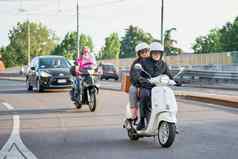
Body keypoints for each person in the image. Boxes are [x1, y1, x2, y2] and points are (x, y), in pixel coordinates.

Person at [135, 41, 173, 130]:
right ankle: (142, 120)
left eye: (158, 53)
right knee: (144, 95)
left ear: (161, 54)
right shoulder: (144, 62)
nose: (157, 55)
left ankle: (170, 121)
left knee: (168, 96)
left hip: (159, 87)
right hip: (147, 87)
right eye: (155, 53)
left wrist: (176, 81)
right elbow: (138, 74)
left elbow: (169, 75)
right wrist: (142, 80)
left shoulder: (163, 64)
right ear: (151, 53)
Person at [129, 42, 150, 121]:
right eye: (142, 52)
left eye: (146, 51)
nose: (145, 53)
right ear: (139, 54)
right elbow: (134, 75)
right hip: (138, 84)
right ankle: (134, 113)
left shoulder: (153, 61)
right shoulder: (136, 63)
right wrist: (139, 80)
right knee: (132, 90)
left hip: (151, 83)